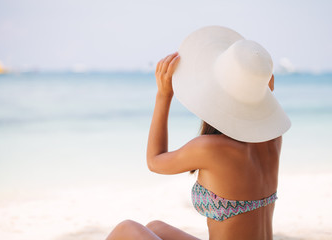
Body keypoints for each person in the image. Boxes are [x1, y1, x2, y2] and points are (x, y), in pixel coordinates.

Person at [106, 26, 291, 240]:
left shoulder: (211, 148)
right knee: (155, 227)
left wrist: (163, 96)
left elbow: (154, 161)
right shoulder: (273, 137)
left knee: (125, 229)